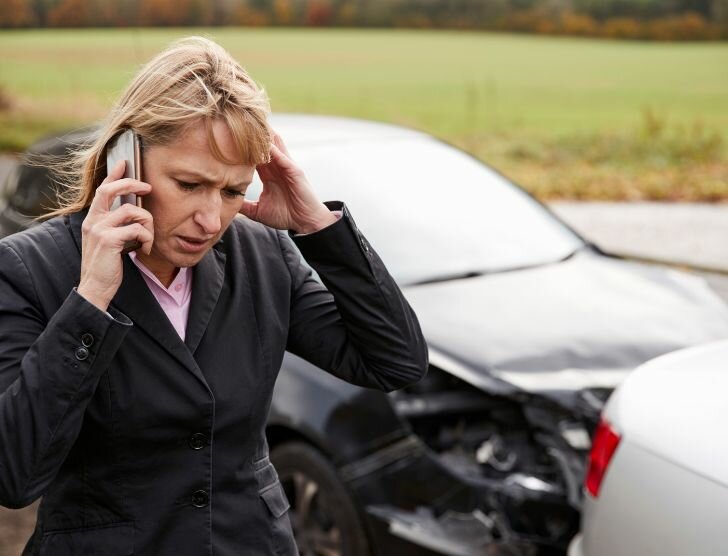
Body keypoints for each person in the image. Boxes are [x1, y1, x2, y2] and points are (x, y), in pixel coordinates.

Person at [0, 36, 427, 555]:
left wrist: (319, 227)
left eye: (231, 191)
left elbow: (395, 363)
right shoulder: (29, 269)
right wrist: (90, 301)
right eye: (188, 184)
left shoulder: (265, 256)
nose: (210, 220)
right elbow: (14, 474)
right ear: (127, 160)